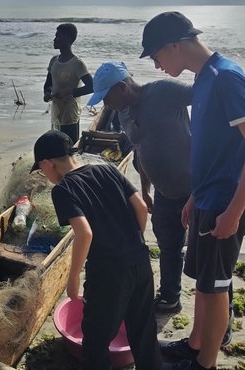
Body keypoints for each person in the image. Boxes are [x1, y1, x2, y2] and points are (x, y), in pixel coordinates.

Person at [140, 12, 245, 370]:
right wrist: (196, 195)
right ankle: (195, 343)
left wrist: (234, 212)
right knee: (204, 284)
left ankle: (205, 362)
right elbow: (213, 147)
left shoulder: (226, 77)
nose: (156, 64)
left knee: (216, 286)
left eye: (156, 55)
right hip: (208, 199)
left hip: (229, 201)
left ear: (175, 45)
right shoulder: (204, 79)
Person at [31, 130, 163, 370]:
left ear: (48, 164)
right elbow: (142, 208)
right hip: (139, 258)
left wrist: (73, 278)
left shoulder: (63, 190)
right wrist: (132, 242)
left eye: (42, 169)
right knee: (143, 328)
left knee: (95, 339)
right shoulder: (107, 169)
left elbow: (85, 233)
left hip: (108, 271)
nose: (45, 175)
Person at [88, 61, 192, 314]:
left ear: (121, 87)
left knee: (209, 256)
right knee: (168, 245)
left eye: (107, 98)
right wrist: (145, 189)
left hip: (195, 189)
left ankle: (223, 312)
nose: (106, 105)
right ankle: (170, 297)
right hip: (163, 191)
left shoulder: (164, 91)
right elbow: (140, 150)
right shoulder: (123, 112)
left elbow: (207, 95)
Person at [43, 23, 93, 144]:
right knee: (56, 142)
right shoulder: (54, 61)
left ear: (67, 39)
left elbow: (91, 87)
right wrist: (47, 93)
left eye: (58, 36)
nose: (54, 40)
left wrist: (69, 92)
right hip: (56, 110)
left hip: (70, 113)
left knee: (69, 144)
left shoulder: (77, 63)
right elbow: (48, 82)